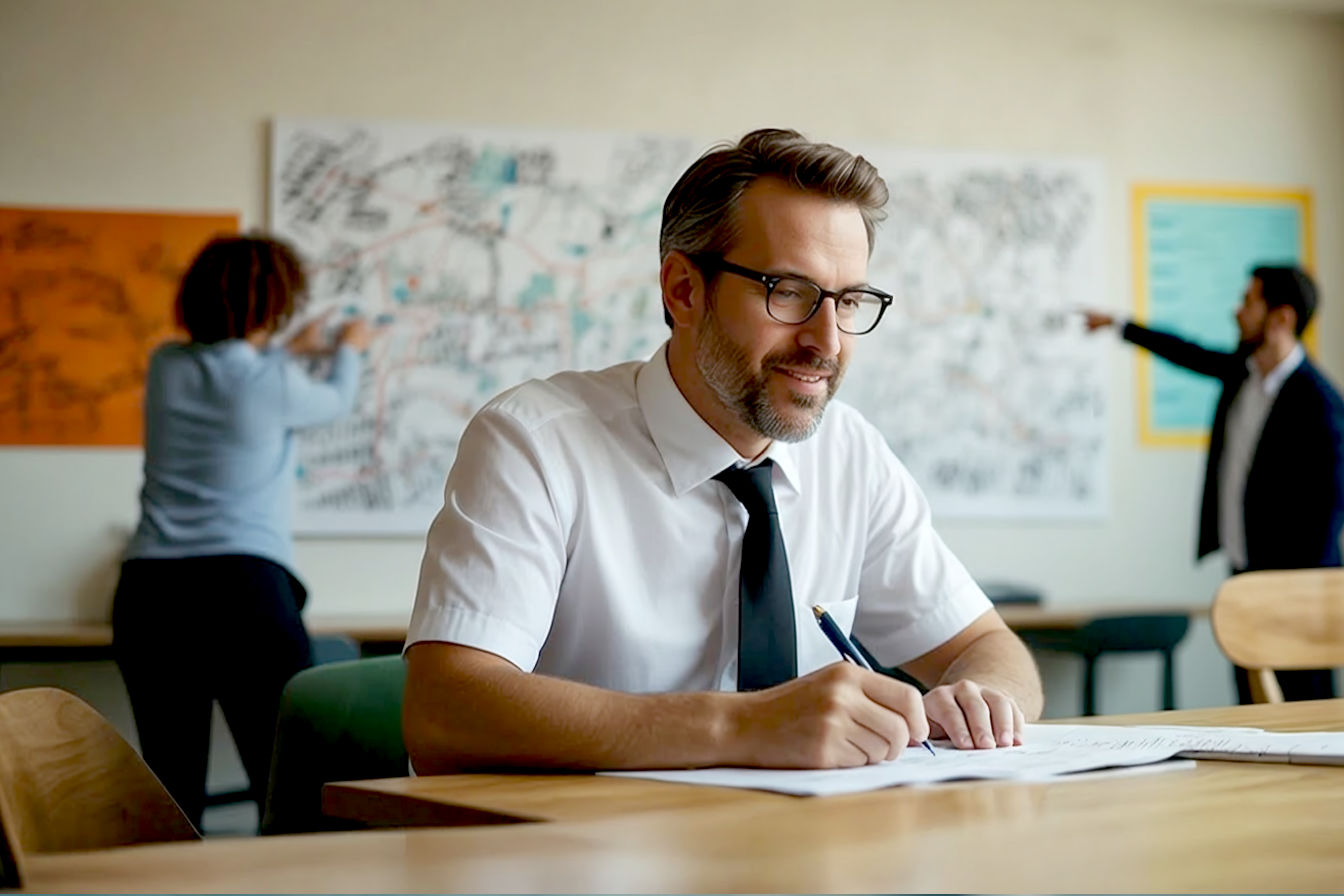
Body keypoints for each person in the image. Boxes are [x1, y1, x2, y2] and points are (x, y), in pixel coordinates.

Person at [403, 128, 1043, 775]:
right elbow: (445, 708)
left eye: (848, 300)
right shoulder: (535, 442)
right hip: (584, 856)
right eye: (788, 292)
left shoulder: (851, 453)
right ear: (684, 290)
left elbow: (991, 647)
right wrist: (742, 725)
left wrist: (985, 701)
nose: (826, 341)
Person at [112, 234, 374, 828]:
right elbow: (334, 400)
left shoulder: (165, 366)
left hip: (149, 592)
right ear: (276, 308)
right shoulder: (272, 382)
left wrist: (282, 348)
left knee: (171, 788)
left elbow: (237, 369)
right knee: (282, 780)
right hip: (244, 592)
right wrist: (349, 349)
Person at [1084, 265, 1344, 703]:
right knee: (1251, 706)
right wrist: (1120, 325)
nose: (1237, 311)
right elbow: (1188, 353)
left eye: (1249, 302)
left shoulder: (1320, 403)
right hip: (1243, 574)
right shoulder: (1242, 373)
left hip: (1296, 590)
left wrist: (1298, 595)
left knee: (1304, 706)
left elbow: (1331, 510)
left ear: (1281, 318)